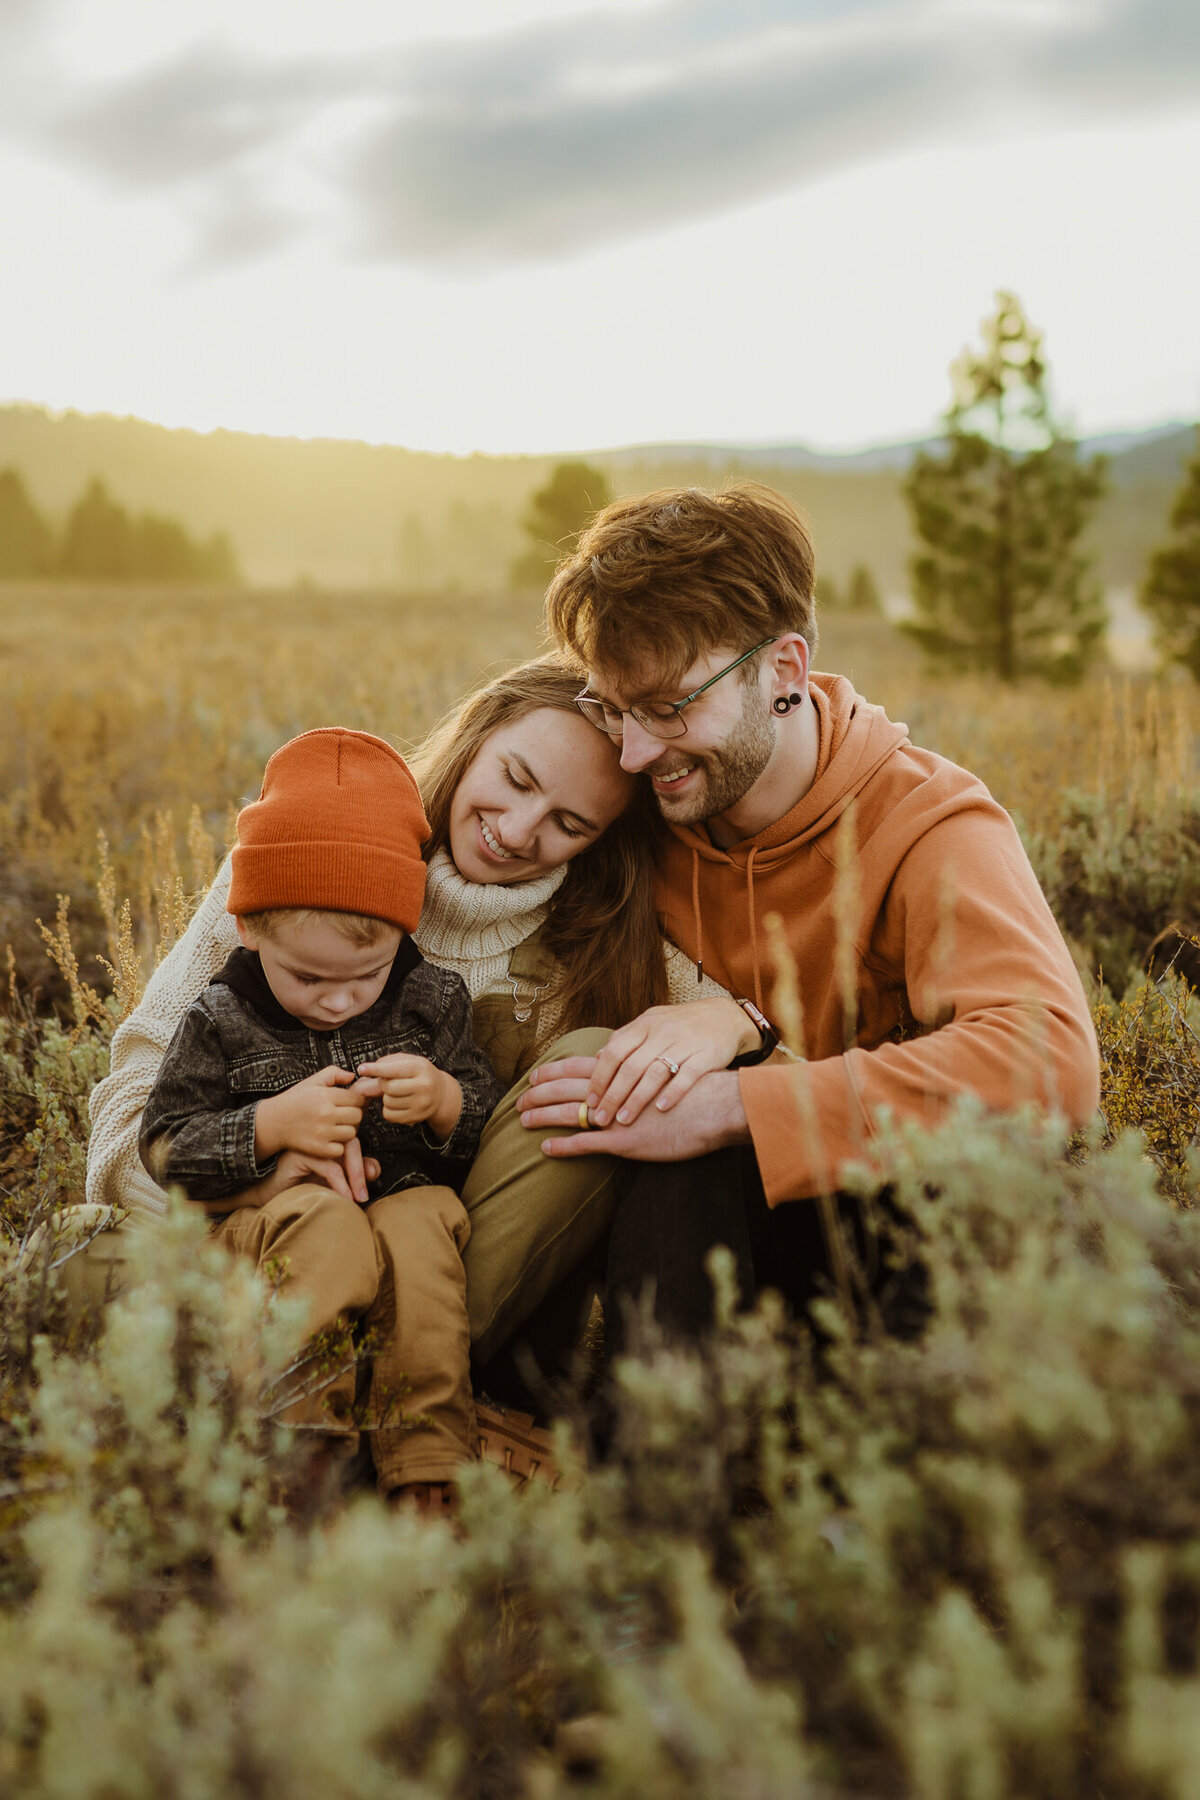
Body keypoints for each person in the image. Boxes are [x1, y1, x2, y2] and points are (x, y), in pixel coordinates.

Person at [84, 659, 736, 1456]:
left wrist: (734, 1024)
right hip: (249, 1250)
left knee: (592, 1068)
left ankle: (375, 1407)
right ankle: (323, 1402)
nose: (522, 829)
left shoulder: (600, 948)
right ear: (474, 738)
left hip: (440, 1282)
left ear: (603, 840)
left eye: (571, 824)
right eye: (517, 777)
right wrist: (253, 1178)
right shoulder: (290, 866)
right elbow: (128, 1118)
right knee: (78, 1259)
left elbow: (768, 1035)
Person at [516, 482, 1101, 1345]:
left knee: (700, 1137)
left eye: (671, 708)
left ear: (783, 671)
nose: (635, 752)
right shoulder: (626, 796)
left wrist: (739, 1104)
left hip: (869, 1246)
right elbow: (459, 837)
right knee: (659, 1139)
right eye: (614, 708)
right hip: (652, 1242)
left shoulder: (929, 823)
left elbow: (1048, 1062)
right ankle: (640, 1459)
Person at [138, 725, 504, 1510]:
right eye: (309, 977)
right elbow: (165, 1148)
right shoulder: (222, 1016)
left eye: (365, 977)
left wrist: (443, 1102)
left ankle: (428, 1462)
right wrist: (267, 1128)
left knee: (424, 1226)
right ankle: (297, 1457)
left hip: (399, 1209)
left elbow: (485, 1127)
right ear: (248, 928)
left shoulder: (432, 1000)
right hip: (271, 1230)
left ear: (404, 933)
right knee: (328, 1231)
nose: (338, 999)